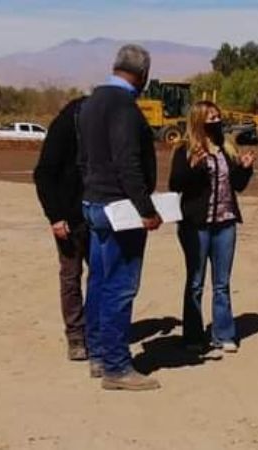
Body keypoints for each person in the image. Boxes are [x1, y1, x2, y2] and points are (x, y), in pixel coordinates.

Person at [78, 44, 162, 391]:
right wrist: (146, 209)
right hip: (121, 209)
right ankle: (116, 366)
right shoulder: (125, 108)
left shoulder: (90, 102)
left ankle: (98, 353)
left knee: (98, 280)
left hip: (94, 202)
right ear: (143, 75)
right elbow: (128, 162)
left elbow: (83, 156)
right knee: (120, 286)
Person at [169, 101, 256, 355]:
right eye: (210, 117)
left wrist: (245, 169)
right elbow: (176, 183)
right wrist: (194, 167)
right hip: (196, 225)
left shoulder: (226, 148)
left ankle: (224, 334)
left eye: (218, 116)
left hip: (225, 222)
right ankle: (193, 336)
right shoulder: (185, 149)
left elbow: (237, 186)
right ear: (198, 121)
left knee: (222, 283)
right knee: (195, 282)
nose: (216, 121)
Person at [33, 96, 89, 361]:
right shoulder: (64, 127)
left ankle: (98, 329)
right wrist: (55, 217)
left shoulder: (101, 129)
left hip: (99, 216)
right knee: (71, 276)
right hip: (69, 218)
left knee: (102, 276)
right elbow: (43, 174)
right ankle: (76, 335)